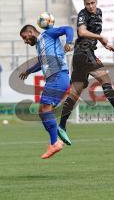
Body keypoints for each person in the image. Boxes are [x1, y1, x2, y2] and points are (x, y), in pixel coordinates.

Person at [58, 0, 114, 145]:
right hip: (83, 52)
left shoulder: (99, 13)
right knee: (105, 78)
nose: (90, 6)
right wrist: (101, 38)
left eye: (92, 3)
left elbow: (94, 34)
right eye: (88, 4)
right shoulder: (83, 15)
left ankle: (61, 126)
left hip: (83, 54)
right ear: (84, 5)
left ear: (96, 2)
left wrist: (104, 44)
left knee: (75, 93)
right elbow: (82, 32)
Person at [19, 23, 73, 159]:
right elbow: (42, 62)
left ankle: (55, 142)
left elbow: (68, 29)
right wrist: (28, 71)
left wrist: (69, 42)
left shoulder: (47, 34)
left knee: (45, 109)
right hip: (54, 77)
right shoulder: (40, 45)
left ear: (30, 32)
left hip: (58, 75)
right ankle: (54, 141)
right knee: (43, 110)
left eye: (25, 37)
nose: (25, 41)